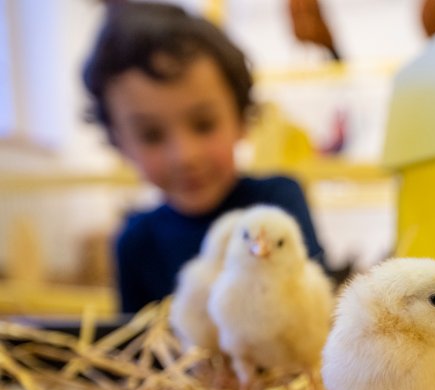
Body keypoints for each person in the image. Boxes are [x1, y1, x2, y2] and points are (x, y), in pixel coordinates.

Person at [83, 1, 325, 313]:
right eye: (151, 135)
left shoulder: (277, 203)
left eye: (204, 125)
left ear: (241, 119)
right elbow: (134, 347)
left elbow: (317, 309)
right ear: (119, 142)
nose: (185, 156)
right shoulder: (135, 242)